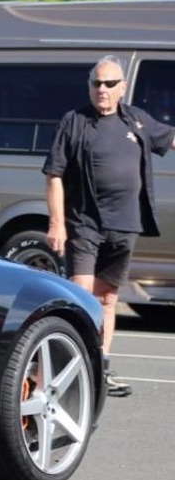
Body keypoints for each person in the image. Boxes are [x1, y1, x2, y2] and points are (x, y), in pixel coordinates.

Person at [44, 55, 175, 397]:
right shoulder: (74, 122)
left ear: (122, 87)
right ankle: (69, 366)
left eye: (109, 84)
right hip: (85, 223)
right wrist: (57, 223)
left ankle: (100, 367)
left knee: (107, 299)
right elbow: (54, 175)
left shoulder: (136, 121)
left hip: (125, 225)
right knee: (79, 294)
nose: (102, 89)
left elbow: (170, 139)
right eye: (96, 83)